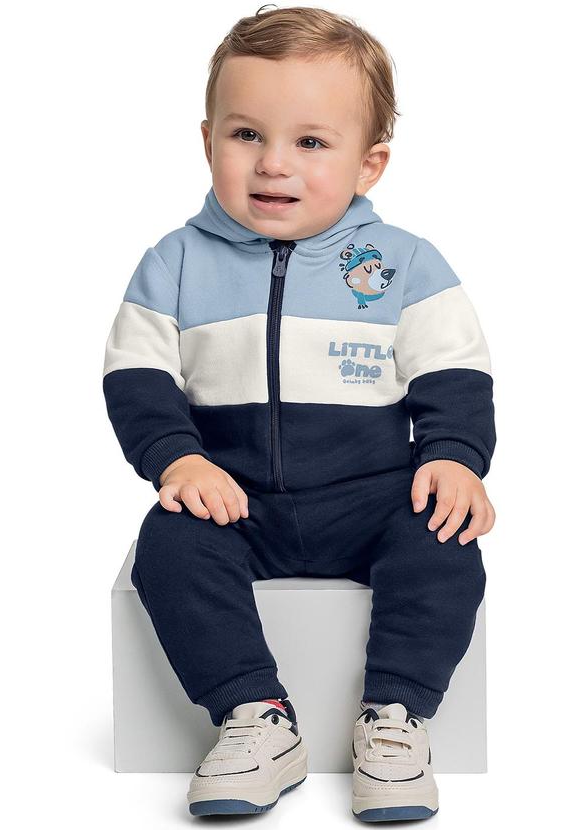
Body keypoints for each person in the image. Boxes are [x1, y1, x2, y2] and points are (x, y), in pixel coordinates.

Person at [102, 5, 496, 822]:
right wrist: (179, 459)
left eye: (311, 142)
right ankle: (255, 715)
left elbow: (453, 372)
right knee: (168, 547)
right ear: (207, 139)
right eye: (246, 134)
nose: (273, 163)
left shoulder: (405, 265)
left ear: (369, 164)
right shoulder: (175, 262)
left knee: (444, 545)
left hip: (374, 500)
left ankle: (395, 717)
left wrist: (454, 456)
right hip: (234, 500)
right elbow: (137, 376)